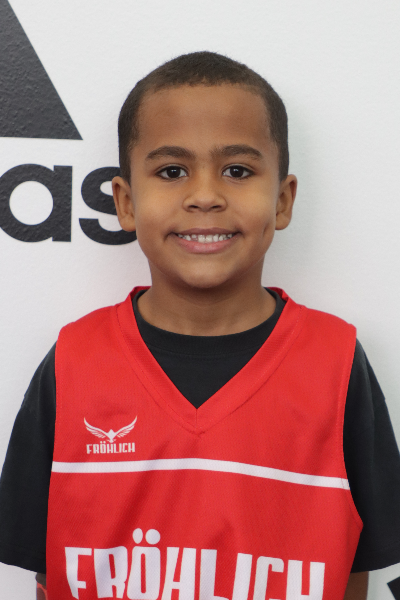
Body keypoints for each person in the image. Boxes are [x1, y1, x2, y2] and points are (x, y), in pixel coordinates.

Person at [1, 51, 400, 600]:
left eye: (238, 171)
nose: (205, 195)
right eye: (172, 171)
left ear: (282, 201)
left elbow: (356, 571)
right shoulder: (73, 363)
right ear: (125, 203)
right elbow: (49, 577)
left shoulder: (337, 364)